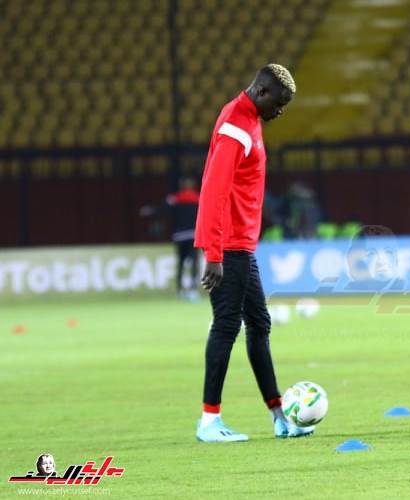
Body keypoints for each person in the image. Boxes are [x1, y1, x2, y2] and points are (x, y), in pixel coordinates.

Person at [193, 64, 312, 442]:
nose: (281, 111)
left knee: (259, 324)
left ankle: (279, 416)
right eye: (278, 103)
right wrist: (213, 253)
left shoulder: (249, 120)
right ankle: (209, 421)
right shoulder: (235, 126)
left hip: (241, 245)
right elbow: (213, 191)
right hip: (228, 245)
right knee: (227, 325)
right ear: (261, 92)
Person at [140, 177, 201, 299]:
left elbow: (161, 209)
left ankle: (180, 291)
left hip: (180, 236)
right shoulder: (198, 198)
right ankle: (193, 290)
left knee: (181, 263)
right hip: (193, 235)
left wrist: (150, 211)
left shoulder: (175, 198)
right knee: (194, 263)